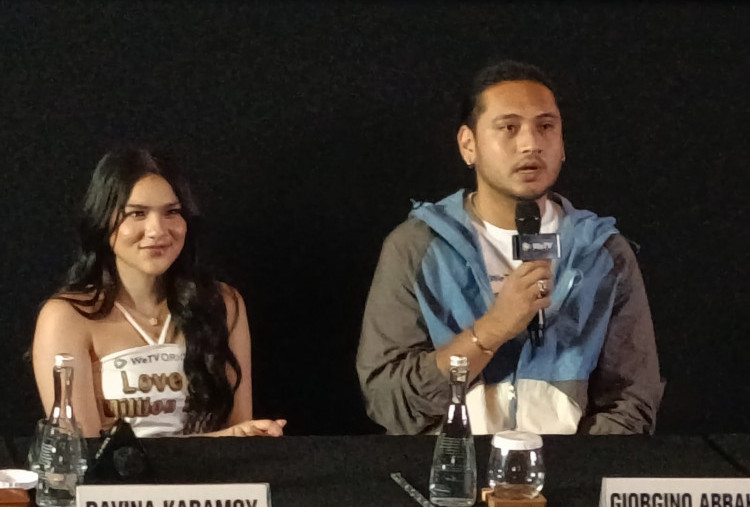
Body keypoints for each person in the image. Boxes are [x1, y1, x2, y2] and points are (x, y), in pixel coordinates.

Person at [357, 60, 664, 435]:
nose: (531, 144)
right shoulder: (415, 247)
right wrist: (493, 329)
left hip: (570, 470)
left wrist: (574, 464)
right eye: (509, 127)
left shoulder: (604, 253)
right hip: (452, 467)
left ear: (562, 145)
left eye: (546, 127)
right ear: (468, 145)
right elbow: (389, 400)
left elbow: (632, 400)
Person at [33, 147, 286, 438]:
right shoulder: (67, 317)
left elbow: (239, 440)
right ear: (103, 220)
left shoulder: (223, 304)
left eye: (172, 212)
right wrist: (219, 439)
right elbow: (82, 454)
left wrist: (252, 436)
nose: (157, 230)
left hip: (212, 470)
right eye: (137, 214)